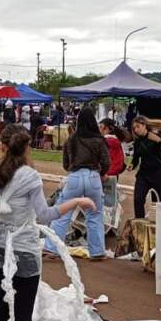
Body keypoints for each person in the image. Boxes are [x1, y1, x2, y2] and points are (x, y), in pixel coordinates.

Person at [0, 126, 95, 321]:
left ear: (2, 147)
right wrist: (75, 201)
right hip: (24, 250)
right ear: (26, 149)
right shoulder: (29, 176)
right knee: (23, 313)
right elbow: (45, 215)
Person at [43, 107, 110, 260]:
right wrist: (101, 173)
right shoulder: (99, 140)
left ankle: (51, 248)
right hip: (93, 176)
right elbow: (106, 162)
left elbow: (66, 164)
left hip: (74, 177)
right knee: (95, 215)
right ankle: (97, 251)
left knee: (62, 213)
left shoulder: (71, 140)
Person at [128, 116, 161, 214]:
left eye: (138, 126)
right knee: (138, 199)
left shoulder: (154, 136)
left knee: (158, 203)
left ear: (144, 125)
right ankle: (139, 221)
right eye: (134, 128)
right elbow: (136, 158)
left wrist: (160, 140)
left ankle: (159, 222)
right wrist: (132, 164)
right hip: (143, 175)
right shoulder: (137, 142)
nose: (136, 130)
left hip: (158, 174)